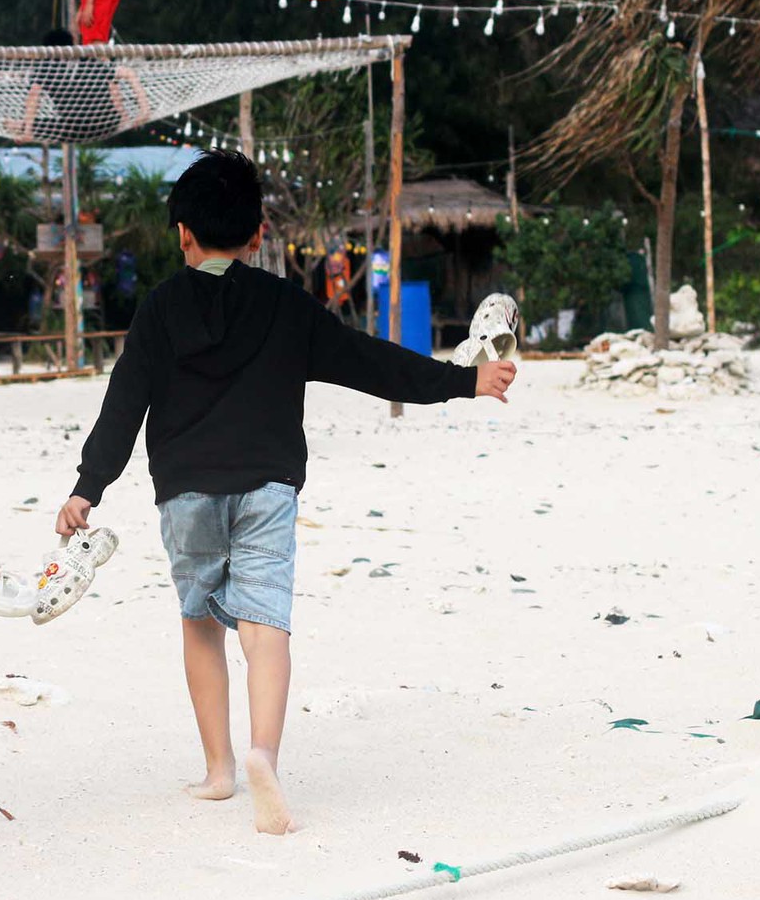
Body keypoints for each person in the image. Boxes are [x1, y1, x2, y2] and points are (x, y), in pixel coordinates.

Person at [53, 150, 515, 835]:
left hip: (183, 492)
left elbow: (124, 407)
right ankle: (263, 752)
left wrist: (88, 487)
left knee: (200, 620)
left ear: (182, 232)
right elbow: (368, 361)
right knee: (266, 623)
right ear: (260, 234)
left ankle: (217, 771)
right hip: (268, 483)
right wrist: (462, 381)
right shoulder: (284, 304)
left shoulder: (158, 310)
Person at [7, 29, 151, 143]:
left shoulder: (46, 70)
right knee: (110, 85)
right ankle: (23, 126)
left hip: (74, 130)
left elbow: (34, 95)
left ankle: (23, 126)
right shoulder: (90, 63)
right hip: (108, 124)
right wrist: (143, 110)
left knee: (46, 125)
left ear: (48, 51)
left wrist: (28, 131)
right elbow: (128, 73)